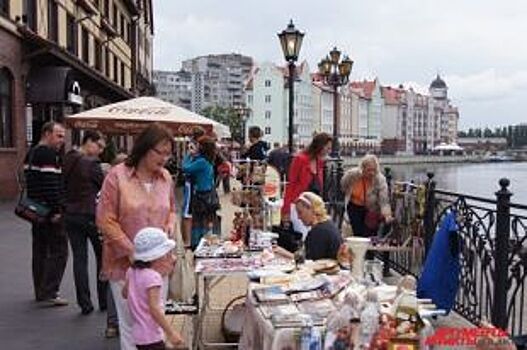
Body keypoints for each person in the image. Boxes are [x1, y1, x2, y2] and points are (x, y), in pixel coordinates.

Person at [97, 123, 177, 350]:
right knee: (132, 326)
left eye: (168, 154)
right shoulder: (117, 176)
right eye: (159, 152)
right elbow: (105, 219)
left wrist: (170, 225)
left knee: (156, 323)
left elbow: (172, 209)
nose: (164, 159)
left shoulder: (165, 178)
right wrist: (131, 251)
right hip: (125, 266)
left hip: (159, 262)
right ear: (144, 148)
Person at [23, 121, 69, 306]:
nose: (62, 141)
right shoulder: (49, 154)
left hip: (35, 209)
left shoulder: (31, 153)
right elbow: (51, 185)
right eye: (59, 136)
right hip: (48, 210)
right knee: (59, 250)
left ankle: (41, 290)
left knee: (40, 249)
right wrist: (56, 210)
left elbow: (31, 181)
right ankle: (50, 291)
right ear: (47, 133)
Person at [64, 130, 106, 315]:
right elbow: (104, 186)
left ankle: (84, 303)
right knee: (102, 258)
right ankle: (104, 301)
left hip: (71, 214)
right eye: (99, 146)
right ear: (89, 141)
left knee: (79, 260)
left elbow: (61, 185)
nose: (101, 151)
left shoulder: (67, 158)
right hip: (91, 215)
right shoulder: (92, 164)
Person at [123, 227, 184, 349]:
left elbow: (125, 293)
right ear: (157, 256)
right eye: (167, 254)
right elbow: (154, 308)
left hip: (138, 333)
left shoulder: (131, 271)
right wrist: (171, 332)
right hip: (151, 335)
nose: (169, 257)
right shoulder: (153, 277)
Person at [281, 132, 332, 238]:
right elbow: (291, 185)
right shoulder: (300, 160)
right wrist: (286, 210)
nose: (329, 151)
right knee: (303, 235)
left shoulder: (319, 163)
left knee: (313, 236)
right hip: (299, 206)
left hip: (313, 208)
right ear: (320, 146)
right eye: (327, 148)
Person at [274, 192, 342, 260]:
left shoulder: (319, 232)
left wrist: (283, 253)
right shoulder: (327, 225)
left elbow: (308, 263)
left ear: (311, 209)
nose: (298, 217)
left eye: (300, 212)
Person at [340, 154, 393, 239]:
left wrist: (387, 214)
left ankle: (368, 251)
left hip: (371, 209)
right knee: (358, 233)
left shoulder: (380, 179)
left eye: (374, 170)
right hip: (354, 207)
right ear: (363, 168)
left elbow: (383, 199)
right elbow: (343, 185)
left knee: (369, 233)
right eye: (369, 170)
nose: (371, 173)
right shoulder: (353, 175)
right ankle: (361, 249)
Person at [182, 136, 217, 249]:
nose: (195, 147)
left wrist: (188, 154)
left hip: (201, 195)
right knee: (206, 221)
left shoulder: (201, 161)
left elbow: (185, 168)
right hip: (209, 194)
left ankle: (198, 244)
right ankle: (206, 242)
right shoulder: (208, 160)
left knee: (198, 221)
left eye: (197, 145)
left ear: (202, 147)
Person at [181, 127, 206, 247]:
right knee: (194, 214)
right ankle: (192, 239)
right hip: (197, 185)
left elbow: (185, 167)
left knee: (187, 214)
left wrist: (188, 155)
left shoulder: (196, 149)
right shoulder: (203, 149)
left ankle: (187, 241)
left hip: (191, 185)